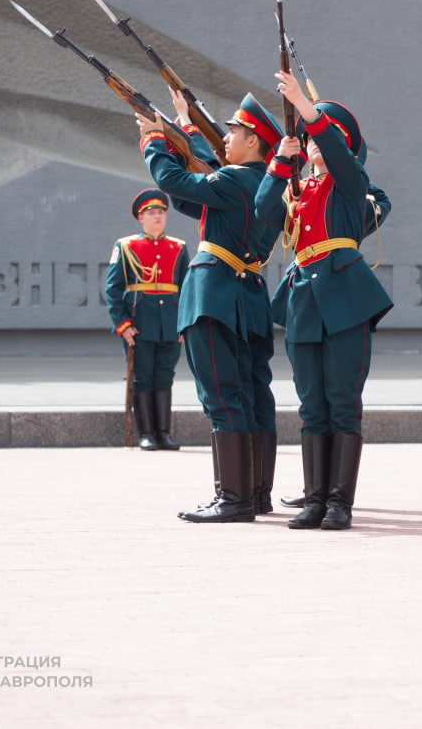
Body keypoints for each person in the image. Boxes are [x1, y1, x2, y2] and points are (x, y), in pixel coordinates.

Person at [134, 90, 282, 523]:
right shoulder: (261, 184)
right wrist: (186, 128)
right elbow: (200, 186)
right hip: (247, 296)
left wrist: (153, 142)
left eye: (234, 132)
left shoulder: (235, 181)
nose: (227, 139)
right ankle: (255, 494)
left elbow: (178, 184)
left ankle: (232, 499)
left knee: (221, 394)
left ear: (253, 142)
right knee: (254, 396)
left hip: (215, 293)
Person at [256, 70, 393, 530]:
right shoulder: (300, 190)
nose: (315, 143)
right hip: (304, 299)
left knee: (342, 400)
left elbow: (338, 157)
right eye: (309, 138)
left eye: (325, 137)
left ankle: (339, 501)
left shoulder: (351, 183)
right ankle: (315, 498)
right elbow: (263, 210)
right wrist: (279, 160)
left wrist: (311, 113)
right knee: (311, 403)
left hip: (345, 295)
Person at [105, 189, 190, 450]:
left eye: (161, 212)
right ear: (140, 218)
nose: (157, 217)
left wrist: (185, 323)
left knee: (165, 376)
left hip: (170, 323)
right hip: (139, 322)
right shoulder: (126, 246)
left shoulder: (178, 247)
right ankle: (146, 434)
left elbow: (187, 288)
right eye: (151, 213)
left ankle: (163, 433)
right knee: (141, 377)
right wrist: (123, 324)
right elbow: (113, 288)